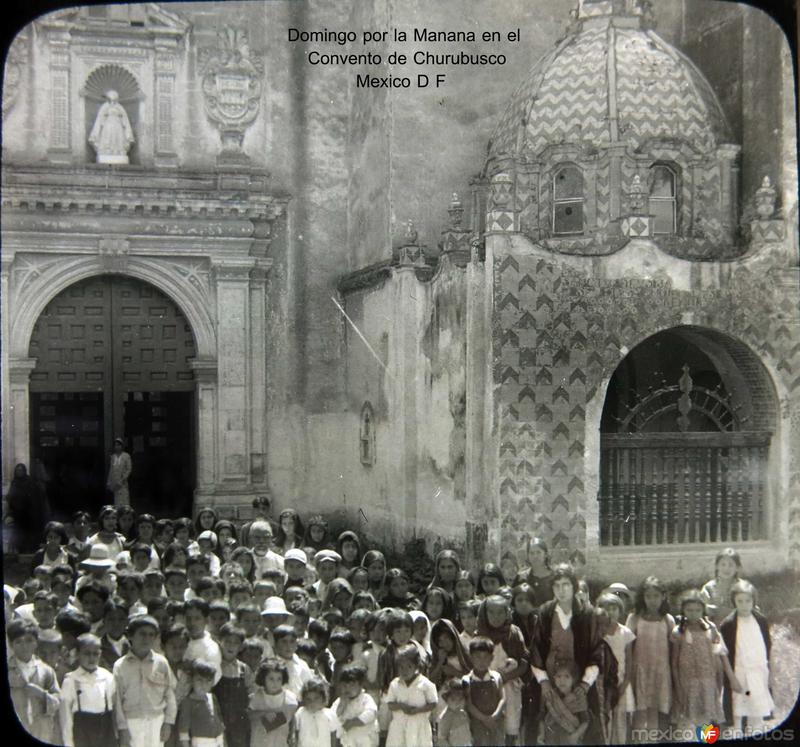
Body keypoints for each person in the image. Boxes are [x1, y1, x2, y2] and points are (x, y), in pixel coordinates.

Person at [670, 589, 735, 728]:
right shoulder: (678, 631)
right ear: (683, 611)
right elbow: (674, 662)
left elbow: (717, 656)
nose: (693, 614)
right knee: (687, 720)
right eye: (689, 610)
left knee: (705, 720)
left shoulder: (710, 629)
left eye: (697, 610)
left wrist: (718, 681)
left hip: (707, 679)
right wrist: (678, 685)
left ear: (703, 611)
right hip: (687, 680)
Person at [113, 614, 177, 747]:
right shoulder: (120, 666)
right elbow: (117, 700)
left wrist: (168, 722)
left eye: (151, 635)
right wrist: (122, 728)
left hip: (156, 721)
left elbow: (169, 694)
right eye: (142, 634)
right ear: (130, 636)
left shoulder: (161, 663)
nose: (146, 639)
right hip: (131, 723)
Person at [720, 580, 774, 734]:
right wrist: (732, 678)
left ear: (754, 601)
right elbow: (723, 654)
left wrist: (770, 673)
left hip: (758, 672)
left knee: (756, 711)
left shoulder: (760, 621)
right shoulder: (728, 624)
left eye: (748, 601)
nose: (744, 605)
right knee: (738, 711)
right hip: (739, 674)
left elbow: (768, 648)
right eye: (740, 601)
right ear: (734, 602)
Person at [625, 576, 675, 738]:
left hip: (660, 672)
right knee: (640, 713)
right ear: (642, 597)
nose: (652, 600)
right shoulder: (635, 618)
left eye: (656, 596)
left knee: (654, 712)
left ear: (663, 597)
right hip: (640, 671)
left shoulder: (668, 620)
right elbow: (627, 646)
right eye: (648, 596)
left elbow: (674, 647)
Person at [8, 618, 61, 742]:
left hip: (42, 731)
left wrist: (42, 694)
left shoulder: (46, 670)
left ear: (36, 643)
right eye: (18, 642)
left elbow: (57, 702)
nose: (24, 646)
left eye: (29, 640)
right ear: (11, 644)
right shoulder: (9, 670)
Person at [60, 633, 117, 747]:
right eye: (87, 653)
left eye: (95, 654)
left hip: (106, 734)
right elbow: (66, 717)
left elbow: (115, 711)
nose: (92, 658)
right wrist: (68, 743)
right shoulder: (71, 680)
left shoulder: (107, 678)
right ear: (77, 654)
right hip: (82, 735)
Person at [595, 594, 635, 744]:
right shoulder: (598, 634)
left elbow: (630, 662)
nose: (610, 612)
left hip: (621, 683)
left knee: (621, 721)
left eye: (614, 608)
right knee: (606, 719)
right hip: (603, 684)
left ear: (620, 611)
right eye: (606, 609)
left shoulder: (625, 633)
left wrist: (624, 685)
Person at [385, 643, 438, 747]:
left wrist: (418, 710)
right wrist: (401, 706)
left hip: (419, 726)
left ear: (416, 666)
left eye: (409, 666)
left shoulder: (425, 684)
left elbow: (433, 703)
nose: (404, 671)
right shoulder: (395, 684)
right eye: (401, 667)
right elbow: (390, 704)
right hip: (399, 726)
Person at [213, 623, 253, 747]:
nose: (231, 645)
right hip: (219, 720)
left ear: (241, 647)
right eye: (227, 641)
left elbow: (251, 694)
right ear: (220, 642)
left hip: (239, 724)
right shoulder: (215, 666)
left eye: (235, 643)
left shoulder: (244, 669)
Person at [462, 637, 505, 747]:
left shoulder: (496, 677)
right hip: (477, 724)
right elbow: (469, 704)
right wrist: (485, 719)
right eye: (478, 657)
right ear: (471, 658)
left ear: (492, 658)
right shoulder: (467, 680)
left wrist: (494, 716)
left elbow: (502, 698)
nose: (482, 661)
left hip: (495, 722)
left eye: (486, 657)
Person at [176, 660, 226, 747]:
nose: (204, 685)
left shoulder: (212, 698)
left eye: (208, 681)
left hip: (216, 742)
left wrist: (221, 742)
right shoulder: (188, 702)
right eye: (200, 680)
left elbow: (218, 722)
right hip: (199, 743)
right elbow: (183, 730)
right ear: (192, 680)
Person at [249, 658, 297, 747]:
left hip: (280, 741)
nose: (275, 683)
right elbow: (249, 715)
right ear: (263, 678)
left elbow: (292, 720)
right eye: (271, 679)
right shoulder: (256, 697)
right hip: (259, 741)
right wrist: (264, 713)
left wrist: (292, 735)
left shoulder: (289, 699)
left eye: (279, 679)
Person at [541, 659, 590, 745]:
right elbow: (542, 717)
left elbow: (585, 721)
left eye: (567, 676)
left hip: (570, 737)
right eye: (558, 676)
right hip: (551, 737)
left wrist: (576, 735)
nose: (562, 680)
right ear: (554, 678)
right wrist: (541, 734)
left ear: (574, 679)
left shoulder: (579, 697)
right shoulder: (550, 695)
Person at [331, 664, 379, 747]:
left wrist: (352, 723)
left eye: (352, 685)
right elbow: (332, 718)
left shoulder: (366, 698)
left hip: (365, 740)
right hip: (348, 741)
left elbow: (371, 713)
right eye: (345, 685)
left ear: (361, 685)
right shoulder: (340, 701)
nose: (347, 688)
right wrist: (342, 706)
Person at [5, 463, 49, 553]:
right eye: (17, 470)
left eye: (21, 470)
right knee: (20, 537)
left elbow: (34, 499)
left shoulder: (30, 482)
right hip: (19, 516)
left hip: (30, 515)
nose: (19, 472)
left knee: (30, 536)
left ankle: (30, 552)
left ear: (24, 471)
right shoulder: (14, 482)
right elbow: (12, 498)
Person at [700, 548, 747, 625]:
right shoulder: (708, 588)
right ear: (716, 566)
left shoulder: (744, 588)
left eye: (731, 565)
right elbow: (702, 610)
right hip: (715, 628)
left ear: (737, 568)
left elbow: (751, 610)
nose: (726, 568)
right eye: (723, 564)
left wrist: (719, 610)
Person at [89, 91, 135, 164]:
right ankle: (106, 151)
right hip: (108, 125)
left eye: (114, 99)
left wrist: (128, 134)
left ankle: (118, 152)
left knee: (118, 138)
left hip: (118, 125)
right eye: (111, 99)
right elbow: (99, 119)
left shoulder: (120, 107)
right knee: (107, 138)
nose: (112, 101)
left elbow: (125, 120)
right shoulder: (105, 106)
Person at [292, 677, 338, 747]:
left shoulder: (330, 714)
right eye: (308, 699)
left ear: (323, 698)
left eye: (316, 698)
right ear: (304, 699)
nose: (312, 702)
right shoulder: (300, 713)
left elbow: (333, 735)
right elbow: (296, 733)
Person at [436, 677, 472, 746]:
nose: (457, 703)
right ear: (447, 700)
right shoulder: (445, 716)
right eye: (453, 699)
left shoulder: (464, 714)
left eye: (461, 699)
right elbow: (441, 738)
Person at [106, 438, 133, 505]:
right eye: (115, 445)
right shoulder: (113, 457)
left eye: (119, 445)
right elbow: (111, 470)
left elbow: (129, 469)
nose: (117, 447)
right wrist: (109, 482)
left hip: (123, 483)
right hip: (114, 483)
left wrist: (123, 479)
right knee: (117, 502)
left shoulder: (126, 456)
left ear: (122, 446)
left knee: (124, 501)